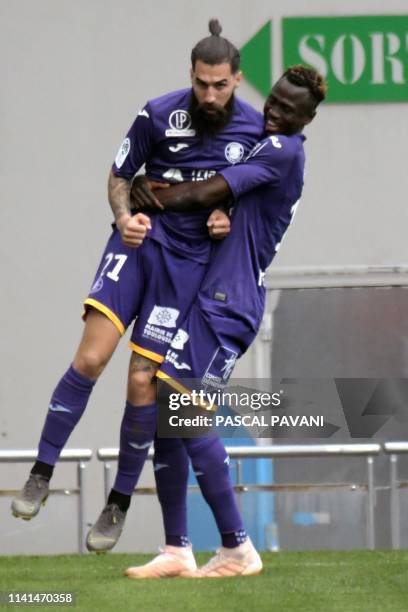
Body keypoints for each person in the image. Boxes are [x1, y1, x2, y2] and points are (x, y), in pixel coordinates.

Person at [11, 20, 263, 556]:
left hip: (189, 264)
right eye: (202, 83)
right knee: (89, 360)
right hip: (138, 244)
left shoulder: (255, 133)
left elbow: (257, 206)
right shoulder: (157, 112)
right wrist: (124, 215)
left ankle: (119, 500)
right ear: (190, 77)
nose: (210, 94)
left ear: (237, 80)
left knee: (143, 381)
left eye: (220, 85)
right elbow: (119, 174)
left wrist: (226, 220)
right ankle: (41, 471)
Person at [122, 65, 327, 578]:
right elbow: (227, 201)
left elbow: (204, 191)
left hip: (230, 301)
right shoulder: (269, 146)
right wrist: (224, 217)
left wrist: (147, 194)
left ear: (308, 118)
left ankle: (237, 547)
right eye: (274, 101)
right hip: (211, 292)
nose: (275, 112)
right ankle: (176, 550)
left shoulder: (284, 150)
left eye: (288, 109)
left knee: (186, 408)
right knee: (172, 409)